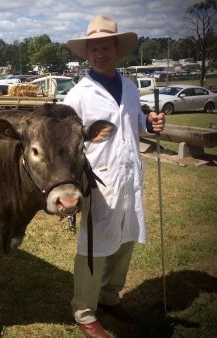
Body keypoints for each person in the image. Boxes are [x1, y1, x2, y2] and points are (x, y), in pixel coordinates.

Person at [63, 15, 165, 338]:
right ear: (87, 53)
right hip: (98, 182)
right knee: (93, 246)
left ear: (116, 48)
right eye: (93, 48)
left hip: (130, 178)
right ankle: (84, 310)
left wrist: (152, 123)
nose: (99, 53)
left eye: (105, 46)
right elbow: (65, 142)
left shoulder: (131, 88)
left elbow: (135, 124)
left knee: (126, 239)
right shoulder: (78, 95)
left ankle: (109, 295)